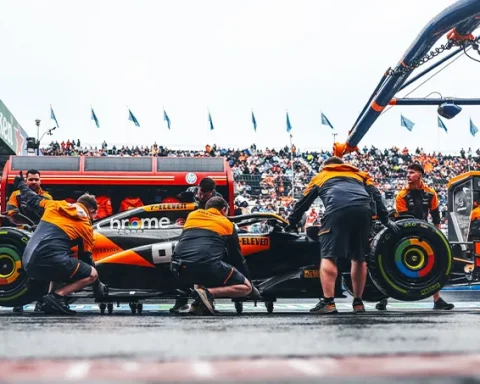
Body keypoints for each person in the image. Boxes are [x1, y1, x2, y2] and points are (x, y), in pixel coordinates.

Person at [286, 156, 400, 314]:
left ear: (326, 166)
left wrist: (291, 222)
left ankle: (328, 302)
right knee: (359, 257)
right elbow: (377, 196)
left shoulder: (322, 175)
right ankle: (358, 303)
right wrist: (385, 220)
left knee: (328, 256)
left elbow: (303, 202)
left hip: (337, 211)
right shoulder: (360, 175)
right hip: (363, 211)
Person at [13, 173, 104, 315]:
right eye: (94, 215)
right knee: (91, 274)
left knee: (62, 262)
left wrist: (20, 184)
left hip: (28, 263)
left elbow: (31, 198)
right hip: (49, 260)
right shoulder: (85, 225)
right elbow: (86, 257)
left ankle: (48, 303)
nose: (94, 218)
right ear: (91, 211)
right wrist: (97, 284)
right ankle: (58, 296)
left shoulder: (54, 204)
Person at [376, 163, 454, 311]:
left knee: (434, 264)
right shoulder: (402, 195)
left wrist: (437, 240)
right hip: (404, 233)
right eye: (408, 173)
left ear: (420, 174)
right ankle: (383, 298)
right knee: (392, 264)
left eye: (411, 172)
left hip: (425, 233)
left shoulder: (431, 193)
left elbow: (436, 218)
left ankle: (437, 301)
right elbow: (404, 219)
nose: (408, 175)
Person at [170, 196, 254, 315]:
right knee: (246, 287)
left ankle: (197, 305)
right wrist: (249, 280)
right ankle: (208, 292)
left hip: (178, 269)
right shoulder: (227, 224)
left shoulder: (192, 216)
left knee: (200, 266)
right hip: (205, 266)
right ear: (224, 210)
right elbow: (236, 257)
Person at [169, 177, 224, 313]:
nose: (201, 195)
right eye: (200, 192)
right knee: (180, 266)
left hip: (206, 233)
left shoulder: (217, 199)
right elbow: (178, 205)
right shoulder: (190, 192)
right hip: (187, 229)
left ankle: (204, 302)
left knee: (203, 268)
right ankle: (180, 302)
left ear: (212, 192)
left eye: (205, 194)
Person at [6, 169, 52, 313]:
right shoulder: (16, 195)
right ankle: (18, 301)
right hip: (21, 237)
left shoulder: (47, 197)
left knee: (43, 268)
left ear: (40, 181)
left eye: (36, 179)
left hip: (41, 237)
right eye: (30, 179)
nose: (33, 182)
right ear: (26, 181)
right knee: (21, 271)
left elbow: (48, 215)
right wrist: (25, 224)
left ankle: (41, 300)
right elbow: (11, 214)